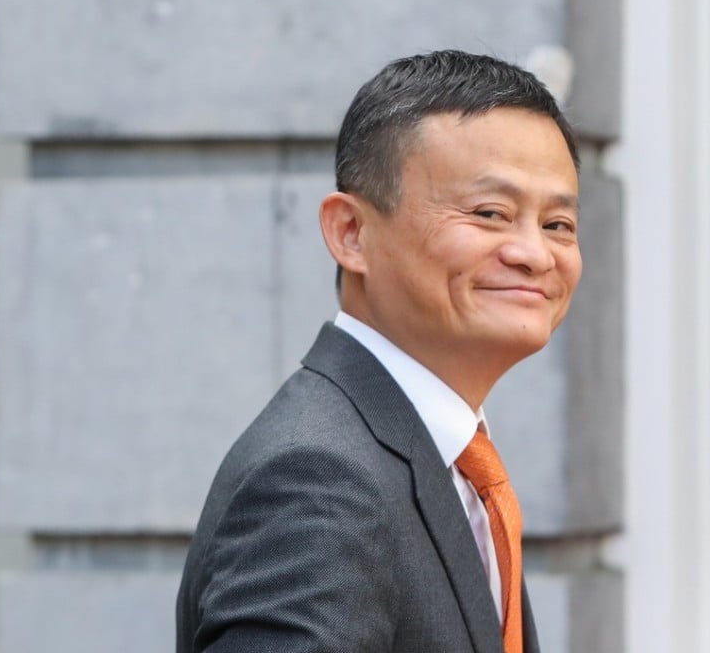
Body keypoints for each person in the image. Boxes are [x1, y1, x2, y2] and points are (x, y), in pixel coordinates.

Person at [176, 49, 582, 653]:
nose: (534, 254)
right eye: (490, 213)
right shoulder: (317, 478)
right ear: (352, 233)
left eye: (557, 225)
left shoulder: (445, 459)